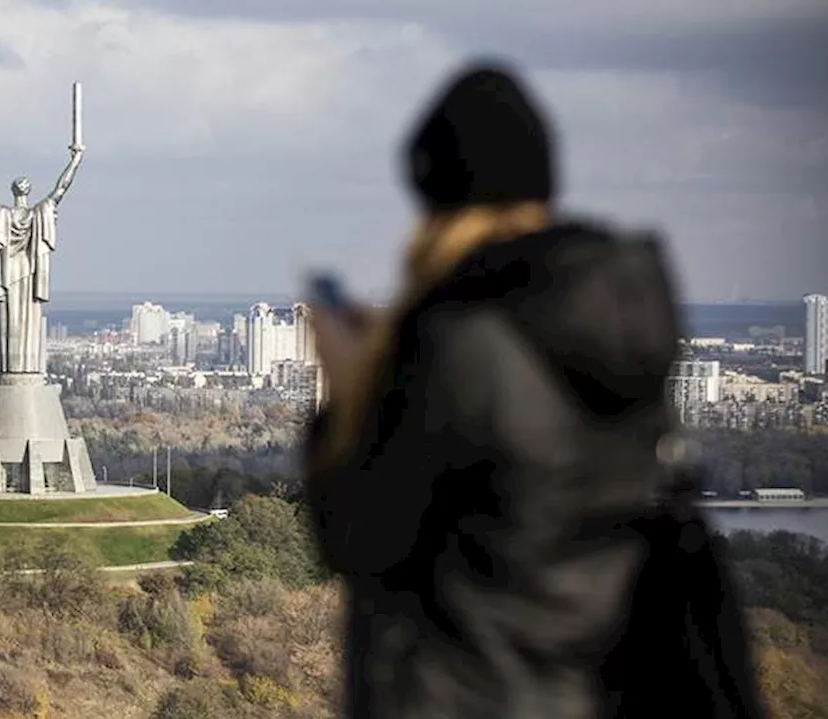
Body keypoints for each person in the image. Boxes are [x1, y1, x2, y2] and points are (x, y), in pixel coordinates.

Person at [304, 62, 764, 718]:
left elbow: (358, 536)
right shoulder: (620, 338)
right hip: (602, 690)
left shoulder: (457, 343)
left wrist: (347, 394)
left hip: (475, 693)